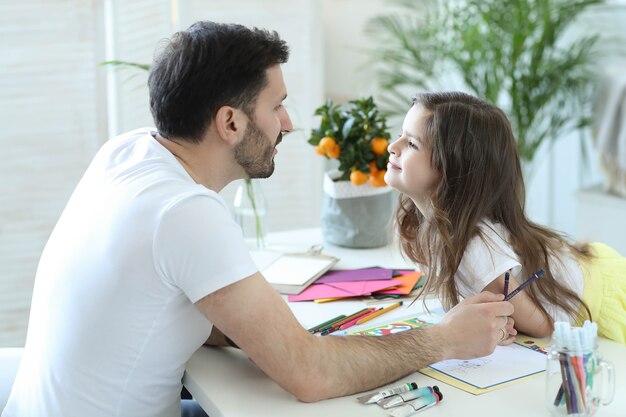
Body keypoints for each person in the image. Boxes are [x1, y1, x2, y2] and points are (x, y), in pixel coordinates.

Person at [2, 23, 515, 417]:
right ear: (230, 122)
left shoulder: (129, 151)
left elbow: (171, 305)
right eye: (278, 106)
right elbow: (308, 375)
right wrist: (444, 338)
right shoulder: (185, 213)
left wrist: (277, 335)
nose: (288, 123)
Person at [385, 91, 626, 345]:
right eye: (401, 135)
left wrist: (505, 320)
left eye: (411, 144)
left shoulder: (473, 247)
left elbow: (542, 324)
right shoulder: (434, 225)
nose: (393, 146)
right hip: (586, 268)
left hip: (602, 296)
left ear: (453, 167)